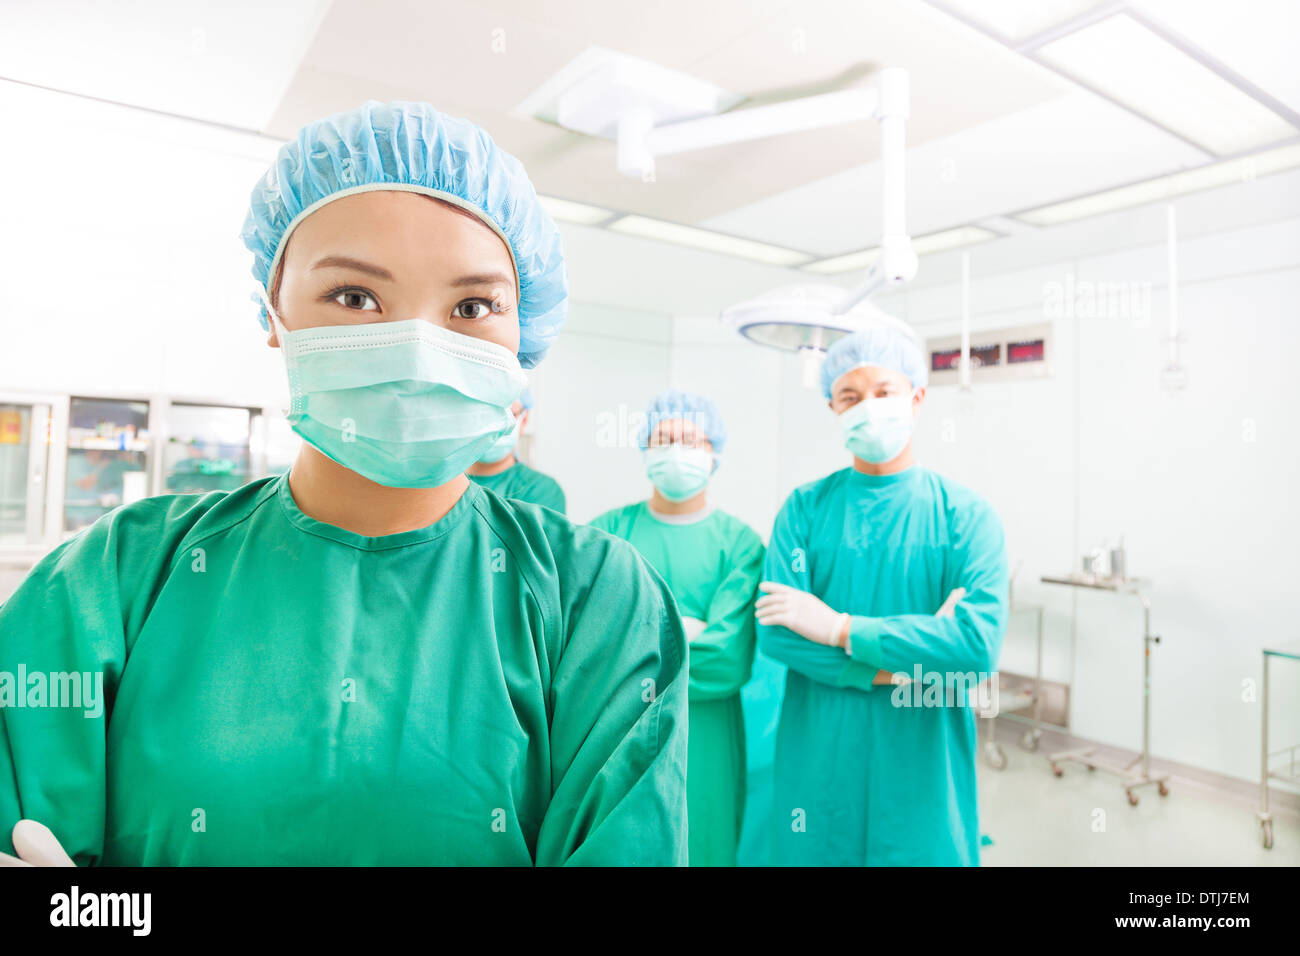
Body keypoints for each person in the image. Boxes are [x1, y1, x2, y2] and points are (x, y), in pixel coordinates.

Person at [0, 101, 687, 867]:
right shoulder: (117, 578)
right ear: (274, 309)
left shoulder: (595, 599)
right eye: (356, 297)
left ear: (522, 333)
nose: (419, 349)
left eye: (472, 306)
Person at [754, 322, 1008, 866]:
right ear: (832, 408)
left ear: (916, 398)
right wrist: (907, 665)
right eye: (850, 395)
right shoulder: (805, 510)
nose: (867, 405)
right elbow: (777, 636)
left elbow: (974, 649)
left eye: (884, 391)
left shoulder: (965, 517)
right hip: (822, 757)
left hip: (923, 763)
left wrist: (841, 628)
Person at [591, 389, 763, 867]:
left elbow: (725, 661)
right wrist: (689, 630)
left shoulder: (740, 544)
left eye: (690, 439)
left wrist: (638, 642)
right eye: (664, 438)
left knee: (703, 839)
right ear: (644, 447)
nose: (676, 451)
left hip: (705, 732)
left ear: (715, 452)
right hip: (620, 731)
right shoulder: (607, 535)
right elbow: (589, 649)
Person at [466, 387, 566, 513]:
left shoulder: (542, 490)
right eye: (487, 415)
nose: (496, 425)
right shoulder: (442, 481)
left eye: (510, 415)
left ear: (524, 420)